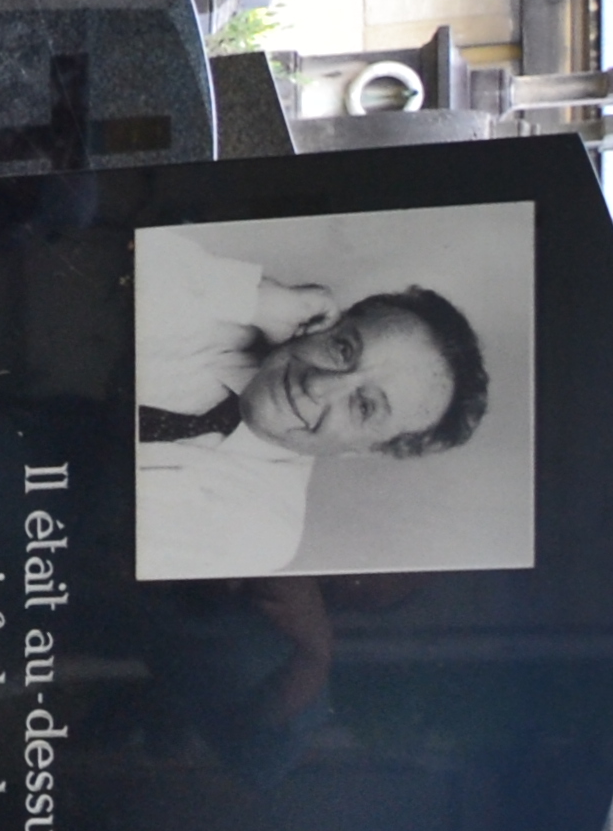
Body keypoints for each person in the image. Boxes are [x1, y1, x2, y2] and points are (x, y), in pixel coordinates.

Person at [132, 230, 489, 581]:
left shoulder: (262, 528)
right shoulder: (225, 310)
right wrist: (255, 297)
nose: (319, 384)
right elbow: (99, 252)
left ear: (366, 450)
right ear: (329, 324)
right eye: (344, 349)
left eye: (364, 407)